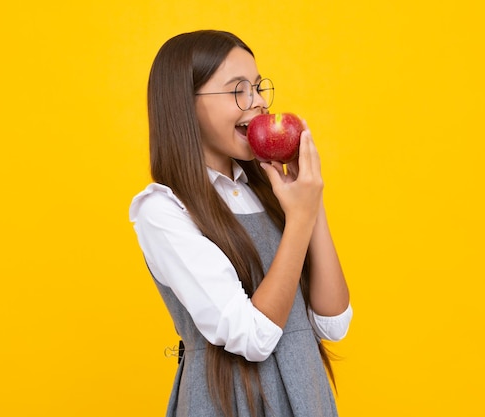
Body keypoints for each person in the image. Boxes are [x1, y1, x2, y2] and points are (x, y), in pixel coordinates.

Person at [129, 29, 353, 417]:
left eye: (258, 87)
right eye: (238, 91)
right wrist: (299, 217)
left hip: (307, 394)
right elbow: (252, 337)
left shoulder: (268, 189)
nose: (259, 103)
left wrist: (310, 201)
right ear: (186, 104)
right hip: (228, 400)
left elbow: (333, 322)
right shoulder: (163, 210)